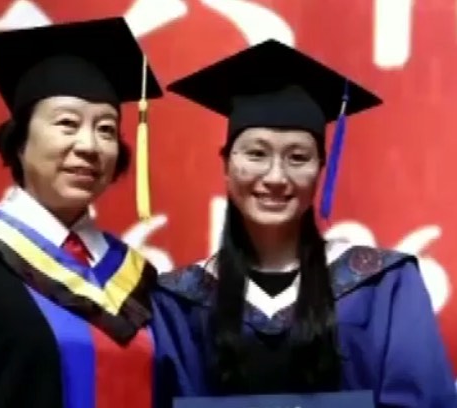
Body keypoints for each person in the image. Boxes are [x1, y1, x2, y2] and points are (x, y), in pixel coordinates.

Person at [0, 17, 181, 408]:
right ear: (20, 141)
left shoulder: (137, 279)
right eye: (67, 124)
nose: (90, 146)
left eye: (106, 129)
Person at [155, 39, 457, 407]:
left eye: (298, 157)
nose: (276, 177)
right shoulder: (179, 302)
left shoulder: (384, 286)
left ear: (320, 170)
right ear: (227, 166)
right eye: (256, 154)